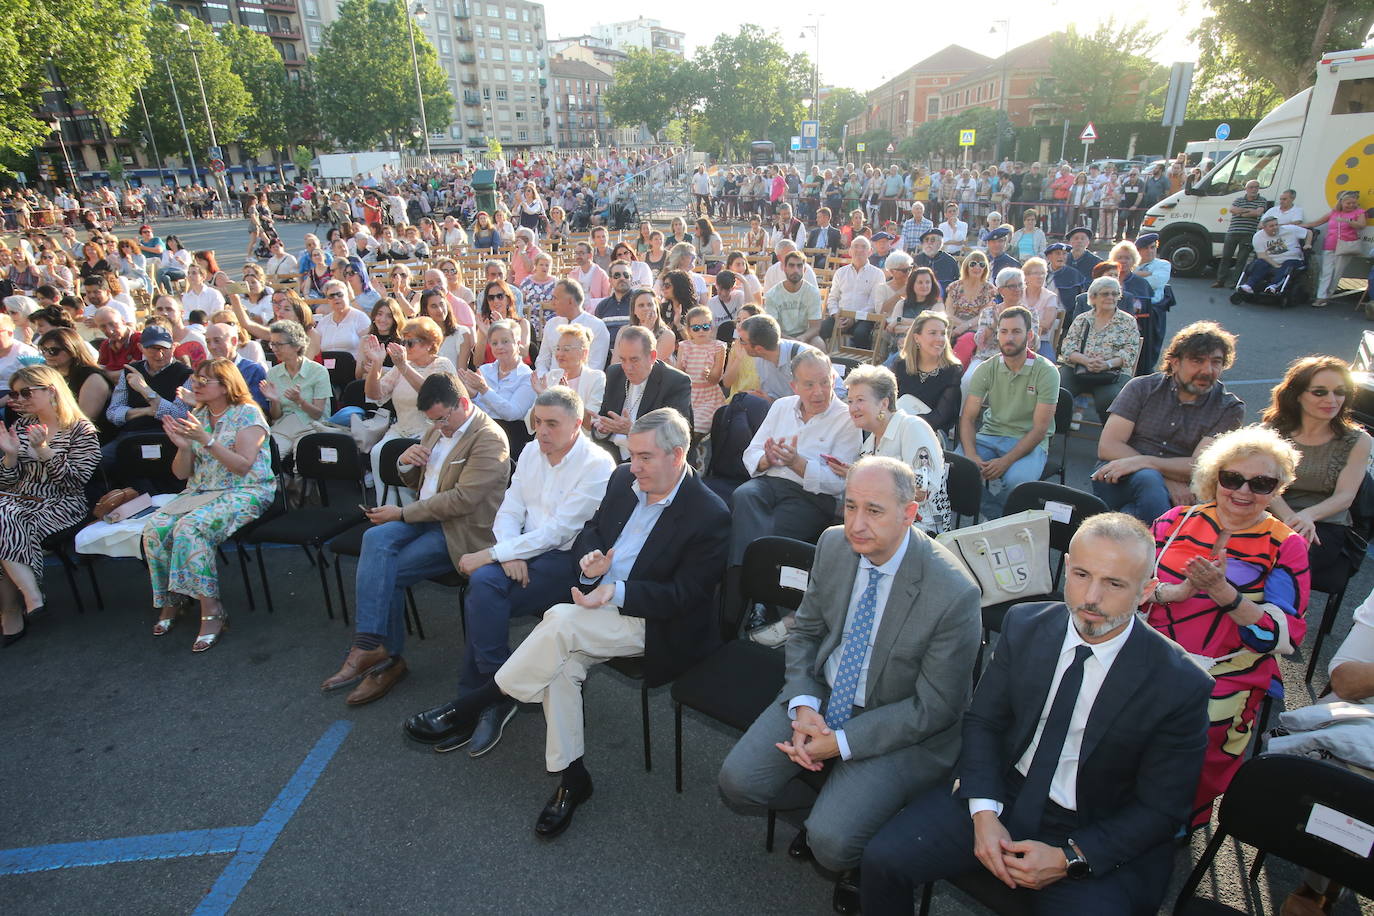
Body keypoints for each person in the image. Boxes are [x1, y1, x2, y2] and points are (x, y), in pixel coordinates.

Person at [862, 513, 1213, 916]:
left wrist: (1071, 857)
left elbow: (1161, 809)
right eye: (1081, 575)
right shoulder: (1025, 625)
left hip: (1097, 825)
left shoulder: (1180, 684)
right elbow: (984, 722)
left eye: (1114, 583)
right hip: (1004, 792)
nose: (1091, 597)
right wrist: (983, 813)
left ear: (1146, 590)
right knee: (882, 861)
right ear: (1065, 567)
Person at [719, 457, 981, 903]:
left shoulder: (954, 593)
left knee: (832, 844)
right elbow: (807, 631)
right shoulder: (834, 543)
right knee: (738, 783)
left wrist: (840, 743)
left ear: (910, 513)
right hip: (824, 693)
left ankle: (855, 838)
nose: (857, 524)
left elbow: (933, 709)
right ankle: (834, 802)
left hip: (898, 721)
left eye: (874, 511)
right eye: (850, 506)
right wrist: (803, 703)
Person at [480, 409, 728, 837]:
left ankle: (480, 700)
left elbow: (685, 597)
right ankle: (572, 779)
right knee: (560, 665)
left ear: (678, 454)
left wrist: (616, 592)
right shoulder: (622, 479)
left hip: (655, 622)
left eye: (646, 457)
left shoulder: (710, 513)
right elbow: (593, 531)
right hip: (596, 606)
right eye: (632, 454)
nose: (635, 466)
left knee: (558, 620)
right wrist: (593, 564)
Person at [404, 387, 615, 755]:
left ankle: (477, 699)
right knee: (485, 585)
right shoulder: (532, 450)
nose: (542, 431)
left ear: (577, 424)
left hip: (567, 563)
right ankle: (497, 691)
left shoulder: (598, 464)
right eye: (537, 422)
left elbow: (559, 532)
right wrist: (505, 554)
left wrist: (495, 553)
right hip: (523, 551)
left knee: (483, 587)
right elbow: (510, 507)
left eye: (552, 423)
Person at [1145, 426, 1310, 827]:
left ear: (1277, 489)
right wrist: (1178, 592)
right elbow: (1130, 588)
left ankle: (1174, 818)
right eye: (1232, 478)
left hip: (1228, 671)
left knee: (1205, 725)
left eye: (1262, 483)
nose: (1243, 491)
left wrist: (1224, 594)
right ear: (1214, 476)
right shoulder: (1173, 522)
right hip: (1153, 652)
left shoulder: (1285, 545)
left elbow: (1279, 636)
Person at [319, 372, 511, 704]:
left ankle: (384, 659)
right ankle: (373, 648)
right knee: (375, 540)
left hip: (459, 530)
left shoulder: (489, 439)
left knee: (387, 571)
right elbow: (417, 482)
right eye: (432, 420)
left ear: (463, 404)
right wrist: (405, 462)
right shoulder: (438, 427)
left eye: (441, 419)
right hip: (426, 516)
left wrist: (403, 513)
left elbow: (462, 501)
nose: (437, 426)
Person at [141, 359, 275, 653]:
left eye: (205, 381)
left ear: (226, 386)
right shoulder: (197, 415)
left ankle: (211, 610)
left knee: (190, 528)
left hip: (246, 489)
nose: (196, 385)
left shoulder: (248, 414)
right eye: (196, 380)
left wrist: (207, 440)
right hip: (202, 489)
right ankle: (171, 600)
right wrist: (184, 447)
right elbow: (180, 474)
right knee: (155, 528)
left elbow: (242, 467)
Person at [1091, 321, 1245, 525]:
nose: (1207, 370)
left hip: (1184, 493)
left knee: (1131, 512)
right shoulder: (1141, 388)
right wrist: (1163, 477)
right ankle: (1159, 547)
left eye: (1216, 362)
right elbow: (1109, 446)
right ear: (1174, 362)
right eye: (1197, 361)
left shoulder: (1229, 408)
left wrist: (1150, 463)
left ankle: (1137, 539)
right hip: (1118, 477)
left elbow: (1200, 465)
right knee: (1149, 480)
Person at [729, 349, 862, 581]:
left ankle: (739, 587)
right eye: (809, 385)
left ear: (833, 379)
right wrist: (766, 459)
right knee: (743, 495)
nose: (818, 392)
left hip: (811, 497)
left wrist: (797, 463)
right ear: (794, 386)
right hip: (768, 483)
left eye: (824, 382)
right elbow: (752, 452)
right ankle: (751, 591)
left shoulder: (846, 419)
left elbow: (840, 484)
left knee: (761, 535)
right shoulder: (782, 406)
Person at [0, 365, 100, 636]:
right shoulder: (20, 425)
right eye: (15, 394)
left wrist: (44, 450)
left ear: (51, 391)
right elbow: (6, 483)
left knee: (4, 515)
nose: (19, 400)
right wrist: (9, 457)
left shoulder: (81, 429)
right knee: (6, 513)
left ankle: (16, 605)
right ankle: (29, 596)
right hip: (18, 501)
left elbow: (74, 482)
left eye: (26, 392)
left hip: (63, 504)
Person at [1261, 356, 1373, 588]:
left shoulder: (1358, 440)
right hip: (1271, 513)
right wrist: (1290, 519)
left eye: (1339, 392)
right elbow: (1263, 484)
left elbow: (1345, 496)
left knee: (1289, 559)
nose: (1332, 400)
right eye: (1320, 392)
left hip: (1324, 524)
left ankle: (1278, 620)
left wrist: (1307, 516)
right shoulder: (1270, 432)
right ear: (1298, 395)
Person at [958, 306, 1060, 518]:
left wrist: (1006, 462)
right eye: (1003, 332)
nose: (1009, 338)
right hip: (990, 436)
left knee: (1018, 484)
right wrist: (971, 455)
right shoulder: (986, 368)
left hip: (1028, 440)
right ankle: (998, 519)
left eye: (1016, 331)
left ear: (1030, 336)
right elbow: (967, 418)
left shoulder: (1047, 371)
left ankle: (997, 525)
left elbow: (1040, 429)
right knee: (956, 470)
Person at [837, 366, 947, 534]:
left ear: (884, 403)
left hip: (919, 527)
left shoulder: (912, 427)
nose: (853, 408)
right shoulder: (871, 440)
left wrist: (868, 480)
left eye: (860, 400)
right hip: (879, 520)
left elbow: (922, 492)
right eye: (850, 401)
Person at [591, 325, 694, 463]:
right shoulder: (614, 373)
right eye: (623, 359)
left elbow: (675, 436)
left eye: (634, 360)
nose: (627, 367)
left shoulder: (675, 382)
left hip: (653, 463)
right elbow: (604, 418)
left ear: (652, 356)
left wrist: (632, 430)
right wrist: (602, 429)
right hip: (613, 458)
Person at [1057, 276, 1142, 422]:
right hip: (1078, 368)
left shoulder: (1128, 321)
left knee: (1110, 401)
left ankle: (1109, 439)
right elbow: (1067, 348)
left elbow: (1130, 353)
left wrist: (1107, 364)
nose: (1111, 297)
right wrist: (1086, 361)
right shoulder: (1082, 319)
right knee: (1057, 393)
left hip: (1113, 373)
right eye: (1105, 294)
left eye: (1114, 294)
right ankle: (1053, 434)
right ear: (1093, 297)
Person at [259, 320, 331, 459]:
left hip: (311, 425)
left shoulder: (318, 371)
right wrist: (274, 401)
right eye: (272, 344)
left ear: (297, 346)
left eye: (279, 344)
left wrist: (300, 401)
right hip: (283, 426)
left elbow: (318, 414)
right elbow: (276, 416)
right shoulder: (273, 373)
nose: (274, 349)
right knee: (268, 457)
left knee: (303, 461)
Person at [889, 311, 962, 439]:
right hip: (897, 428)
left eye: (943, 334)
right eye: (933, 333)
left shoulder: (952, 371)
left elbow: (940, 417)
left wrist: (905, 424)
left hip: (932, 433)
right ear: (917, 337)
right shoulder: (901, 365)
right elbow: (889, 402)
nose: (940, 339)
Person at [1303, 190, 1368, 307]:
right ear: (1342, 202)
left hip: (1345, 246)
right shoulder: (1334, 213)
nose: (1352, 205)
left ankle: (1328, 295)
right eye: (1349, 203)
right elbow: (1316, 223)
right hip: (1330, 245)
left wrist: (1349, 222)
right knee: (1326, 272)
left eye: (1354, 203)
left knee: (1336, 273)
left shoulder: (1359, 212)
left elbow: (1362, 225)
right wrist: (1295, 225)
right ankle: (1321, 297)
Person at [676, 305, 727, 449]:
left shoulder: (718, 347)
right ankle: (688, 454)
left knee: (698, 426)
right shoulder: (684, 346)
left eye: (706, 326)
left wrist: (709, 375)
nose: (701, 331)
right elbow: (679, 375)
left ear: (711, 327)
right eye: (696, 328)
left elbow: (716, 379)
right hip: (689, 395)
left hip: (709, 396)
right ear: (689, 330)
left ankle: (693, 454)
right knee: (680, 425)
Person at [535, 280, 608, 376]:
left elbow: (595, 367)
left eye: (556, 298)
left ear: (570, 301)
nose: (552, 303)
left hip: (582, 387)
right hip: (550, 385)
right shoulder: (551, 324)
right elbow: (542, 361)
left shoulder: (597, 326)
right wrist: (546, 382)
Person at [824, 236, 886, 349]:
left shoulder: (877, 274)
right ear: (850, 251)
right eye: (856, 247)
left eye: (864, 247)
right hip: (840, 316)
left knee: (861, 334)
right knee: (821, 329)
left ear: (870, 251)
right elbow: (833, 298)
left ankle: (857, 365)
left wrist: (853, 319)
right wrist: (836, 314)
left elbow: (873, 304)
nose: (859, 250)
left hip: (863, 319)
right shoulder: (840, 272)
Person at [1213, 180, 1270, 289]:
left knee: (1241, 259)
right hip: (1233, 232)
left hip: (1248, 233)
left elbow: (1258, 212)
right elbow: (1233, 210)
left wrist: (1242, 213)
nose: (1254, 189)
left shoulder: (1262, 200)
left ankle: (1235, 282)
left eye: (1256, 187)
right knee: (1225, 257)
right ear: (1246, 189)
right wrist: (1249, 211)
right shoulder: (1238, 199)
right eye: (1251, 187)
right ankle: (1220, 281)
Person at [764, 249, 824, 346]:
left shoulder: (812, 292)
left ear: (804, 270)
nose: (795, 270)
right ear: (784, 268)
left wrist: (803, 338)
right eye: (791, 266)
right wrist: (791, 340)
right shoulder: (772, 295)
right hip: (780, 338)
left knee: (819, 343)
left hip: (805, 337)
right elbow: (772, 328)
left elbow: (815, 327)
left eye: (799, 266)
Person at [1240, 215, 1309, 294]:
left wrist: (1308, 244)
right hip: (1271, 260)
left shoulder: (1290, 229)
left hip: (1292, 259)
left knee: (1287, 265)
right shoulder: (1258, 236)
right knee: (1259, 262)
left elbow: (1308, 232)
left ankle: (1273, 287)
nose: (1275, 227)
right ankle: (1249, 286)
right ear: (1264, 228)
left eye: (1276, 225)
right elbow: (1261, 255)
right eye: (1271, 226)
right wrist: (1275, 264)